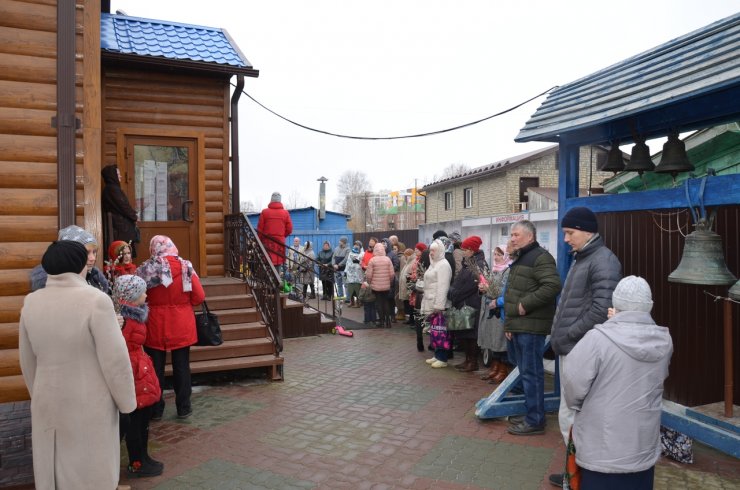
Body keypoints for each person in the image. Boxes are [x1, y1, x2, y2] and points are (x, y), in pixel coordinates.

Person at [19, 240, 136, 489]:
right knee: (89, 473)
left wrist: (37, 393)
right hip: (89, 402)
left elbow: (27, 359)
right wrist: (127, 402)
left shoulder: (31, 302)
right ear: (80, 264)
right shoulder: (96, 301)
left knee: (55, 472)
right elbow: (115, 360)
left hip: (47, 399)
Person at [562, 276, 672, 489]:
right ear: (649, 305)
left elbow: (573, 384)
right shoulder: (664, 340)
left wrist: (578, 406)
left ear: (616, 303)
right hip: (642, 447)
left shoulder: (597, 339)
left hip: (602, 450)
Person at [548, 207, 622, 488]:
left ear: (586, 231)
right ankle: (574, 474)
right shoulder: (584, 258)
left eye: (570, 232)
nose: (566, 239)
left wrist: (569, 335)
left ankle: (581, 478)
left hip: (580, 350)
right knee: (569, 417)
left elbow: (602, 310)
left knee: (572, 417)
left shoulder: (603, 260)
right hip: (573, 348)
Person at [136, 235, 205, 420]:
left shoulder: (146, 269)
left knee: (155, 369)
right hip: (181, 324)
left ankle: (156, 410)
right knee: (182, 367)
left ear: (153, 248)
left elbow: (136, 297)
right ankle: (184, 408)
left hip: (155, 324)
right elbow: (199, 297)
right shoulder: (186, 267)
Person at [503, 220, 562, 436]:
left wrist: (525, 305)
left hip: (531, 327)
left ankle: (535, 420)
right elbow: (514, 293)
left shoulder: (540, 257)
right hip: (520, 326)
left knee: (532, 374)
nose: (512, 239)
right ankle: (531, 413)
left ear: (530, 237)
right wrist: (510, 324)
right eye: (511, 235)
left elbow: (553, 285)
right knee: (525, 373)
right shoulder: (521, 257)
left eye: (516, 235)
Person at [112, 275, 164, 478]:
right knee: (135, 422)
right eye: (142, 292)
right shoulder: (124, 321)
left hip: (139, 368)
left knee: (143, 420)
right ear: (132, 295)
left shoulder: (136, 314)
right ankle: (136, 463)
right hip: (132, 372)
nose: (146, 295)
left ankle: (143, 456)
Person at [447, 235, 489, 373]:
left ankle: (473, 362)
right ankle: (467, 360)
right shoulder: (468, 263)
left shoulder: (479, 265)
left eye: (465, 249)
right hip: (464, 303)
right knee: (464, 333)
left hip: (472, 304)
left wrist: (454, 294)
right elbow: (459, 282)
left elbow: (470, 286)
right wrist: (453, 292)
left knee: (471, 335)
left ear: (471, 250)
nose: (463, 252)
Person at [30, 225, 110, 293]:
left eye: (94, 252)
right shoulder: (46, 284)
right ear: (69, 254)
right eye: (86, 252)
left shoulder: (96, 279)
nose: (93, 258)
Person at [479, 243, 513, 383]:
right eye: (495, 254)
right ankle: (495, 367)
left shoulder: (507, 270)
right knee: (493, 340)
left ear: (506, 256)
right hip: (491, 311)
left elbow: (502, 291)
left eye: (499, 255)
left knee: (500, 341)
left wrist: (487, 289)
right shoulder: (494, 269)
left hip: (500, 311)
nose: (496, 257)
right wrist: (482, 288)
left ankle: (502, 370)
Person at [420, 239, 453, 367]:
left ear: (440, 251)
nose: (431, 253)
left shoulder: (443, 265)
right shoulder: (433, 264)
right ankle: (437, 355)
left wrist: (439, 305)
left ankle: (442, 358)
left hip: (439, 305)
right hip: (431, 301)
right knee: (435, 331)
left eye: (434, 250)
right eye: (430, 250)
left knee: (441, 332)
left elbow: (443, 287)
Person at [102, 164, 140, 257]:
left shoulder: (111, 189)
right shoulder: (112, 189)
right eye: (118, 174)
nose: (120, 176)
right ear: (112, 175)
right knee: (123, 255)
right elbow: (123, 206)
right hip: (121, 229)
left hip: (120, 228)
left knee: (123, 255)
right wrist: (134, 217)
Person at [256, 192, 293, 270]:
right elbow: (289, 229)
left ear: (271, 200)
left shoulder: (265, 212)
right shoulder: (285, 213)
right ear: (280, 200)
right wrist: (282, 236)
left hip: (267, 243)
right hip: (279, 244)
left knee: (266, 264)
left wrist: (259, 241)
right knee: (277, 265)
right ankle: (276, 277)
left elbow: (260, 230)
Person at [364, 241, 395, 328]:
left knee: (379, 303)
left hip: (376, 286)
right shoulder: (387, 259)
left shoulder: (372, 260)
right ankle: (388, 322)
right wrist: (389, 281)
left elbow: (369, 275)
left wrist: (369, 282)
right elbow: (392, 274)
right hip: (386, 286)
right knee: (386, 302)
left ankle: (381, 321)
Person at [361, 237, 378, 324]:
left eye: (372, 241)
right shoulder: (366, 251)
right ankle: (367, 318)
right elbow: (363, 261)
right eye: (370, 241)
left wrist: (370, 267)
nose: (370, 242)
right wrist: (363, 265)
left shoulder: (377, 252)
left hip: (373, 275)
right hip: (366, 273)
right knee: (366, 296)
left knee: (372, 298)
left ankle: (373, 318)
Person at [345, 240, 365, 307]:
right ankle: (352, 302)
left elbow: (363, 262)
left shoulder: (362, 253)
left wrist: (358, 262)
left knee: (357, 289)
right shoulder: (350, 253)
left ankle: (358, 302)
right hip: (350, 273)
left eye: (357, 245)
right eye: (355, 244)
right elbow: (348, 262)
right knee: (351, 288)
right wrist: (346, 271)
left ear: (360, 246)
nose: (356, 246)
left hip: (358, 274)